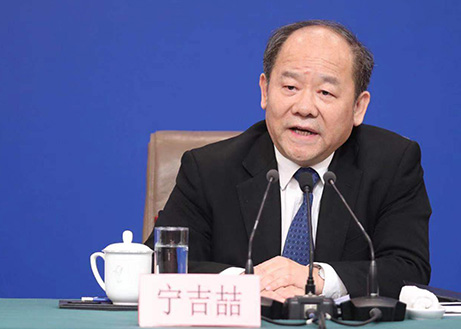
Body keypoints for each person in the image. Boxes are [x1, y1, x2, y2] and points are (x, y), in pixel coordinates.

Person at [146, 20, 432, 303]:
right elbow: (159, 263)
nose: (304, 108)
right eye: (291, 87)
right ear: (265, 91)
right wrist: (246, 283)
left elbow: (408, 268)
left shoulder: (391, 164)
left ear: (359, 107)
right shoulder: (209, 169)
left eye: (325, 92)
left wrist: (319, 279)